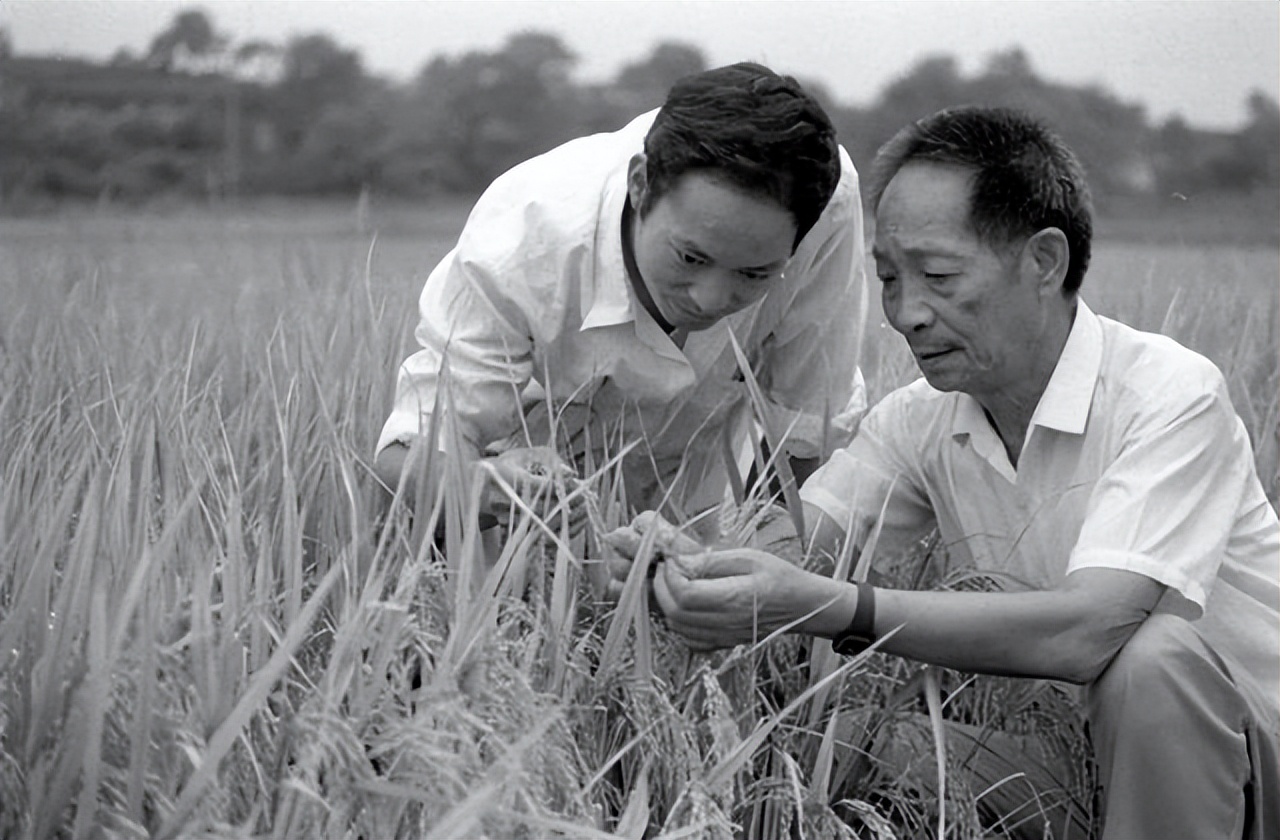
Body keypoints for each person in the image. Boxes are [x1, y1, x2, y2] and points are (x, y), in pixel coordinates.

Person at [609, 106, 1280, 839]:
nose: (906, 313)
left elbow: (1087, 633)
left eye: (937, 275)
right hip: (1081, 761)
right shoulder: (919, 419)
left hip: (1245, 768)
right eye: (890, 278)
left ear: (1044, 261)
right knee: (856, 735)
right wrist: (685, 567)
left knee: (1154, 658)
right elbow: (800, 547)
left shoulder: (1170, 393)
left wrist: (841, 608)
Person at [374, 61, 867, 531]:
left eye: (755, 274)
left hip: (706, 470)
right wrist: (486, 488)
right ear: (639, 184)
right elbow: (411, 451)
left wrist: (778, 564)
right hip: (537, 475)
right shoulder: (527, 234)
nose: (711, 298)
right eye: (690, 258)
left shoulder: (826, 201)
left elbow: (806, 415)